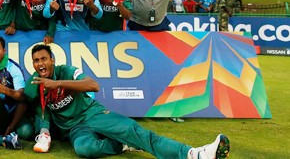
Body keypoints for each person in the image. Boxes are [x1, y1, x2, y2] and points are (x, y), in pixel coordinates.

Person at [24, 44, 230, 158]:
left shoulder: (66, 71)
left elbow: (93, 85)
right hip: (75, 129)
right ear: (33, 64)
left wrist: (58, 83)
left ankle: (193, 154)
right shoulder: (35, 83)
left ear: (52, 59)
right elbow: (32, 104)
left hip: (93, 115)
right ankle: (123, 146)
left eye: (44, 59)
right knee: (84, 149)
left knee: (136, 132)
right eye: (36, 61)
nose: (40, 63)